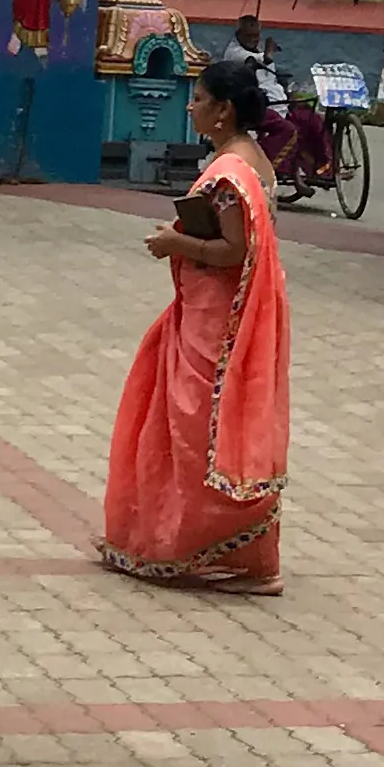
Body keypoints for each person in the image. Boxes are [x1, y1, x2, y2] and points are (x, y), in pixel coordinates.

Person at [100, 53, 292, 591]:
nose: (191, 107)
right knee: (207, 425)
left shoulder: (230, 172)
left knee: (197, 431)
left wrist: (174, 243)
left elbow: (234, 249)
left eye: (200, 99)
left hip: (217, 322)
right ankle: (203, 546)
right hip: (219, 312)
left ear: (224, 111)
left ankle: (204, 547)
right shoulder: (252, 156)